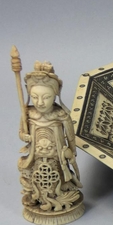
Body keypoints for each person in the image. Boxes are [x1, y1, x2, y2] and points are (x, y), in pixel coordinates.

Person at [18, 61, 83, 216]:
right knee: (33, 174)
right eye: (34, 97)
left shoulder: (60, 114)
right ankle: (38, 198)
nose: (40, 103)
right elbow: (21, 132)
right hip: (36, 155)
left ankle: (58, 198)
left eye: (46, 97)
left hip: (56, 155)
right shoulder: (28, 113)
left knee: (59, 177)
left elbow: (71, 136)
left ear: (55, 95)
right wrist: (24, 136)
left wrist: (71, 151)